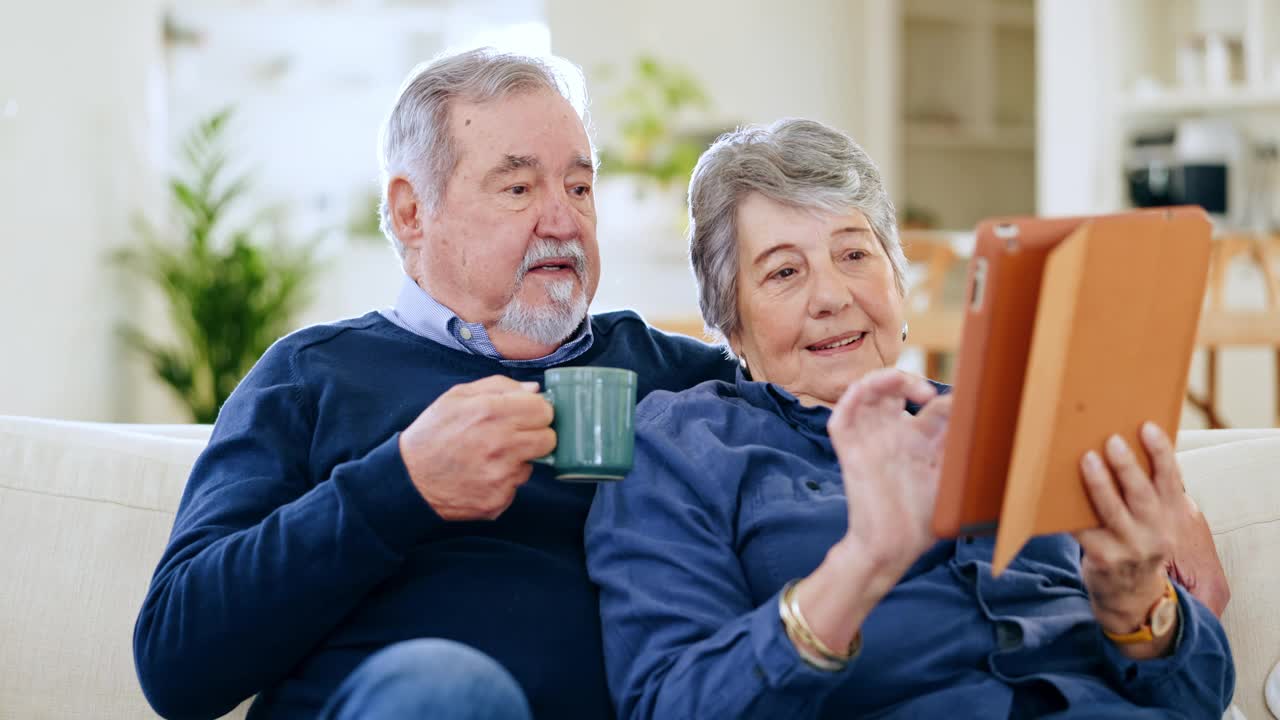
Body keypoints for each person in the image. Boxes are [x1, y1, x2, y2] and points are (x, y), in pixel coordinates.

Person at [131, 49, 735, 720]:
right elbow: (175, 665)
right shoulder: (311, 377)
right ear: (412, 211)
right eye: (519, 188)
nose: (564, 221)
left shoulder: (675, 376)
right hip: (406, 702)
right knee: (447, 689)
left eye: (579, 187)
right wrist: (399, 487)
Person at [585, 118, 1235, 719]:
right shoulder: (679, 447)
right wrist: (861, 566)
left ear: (898, 281)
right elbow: (670, 703)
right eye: (784, 272)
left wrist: (1138, 606)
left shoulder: (1017, 422)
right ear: (731, 322)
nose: (833, 297)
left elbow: (1203, 693)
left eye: (855, 255)